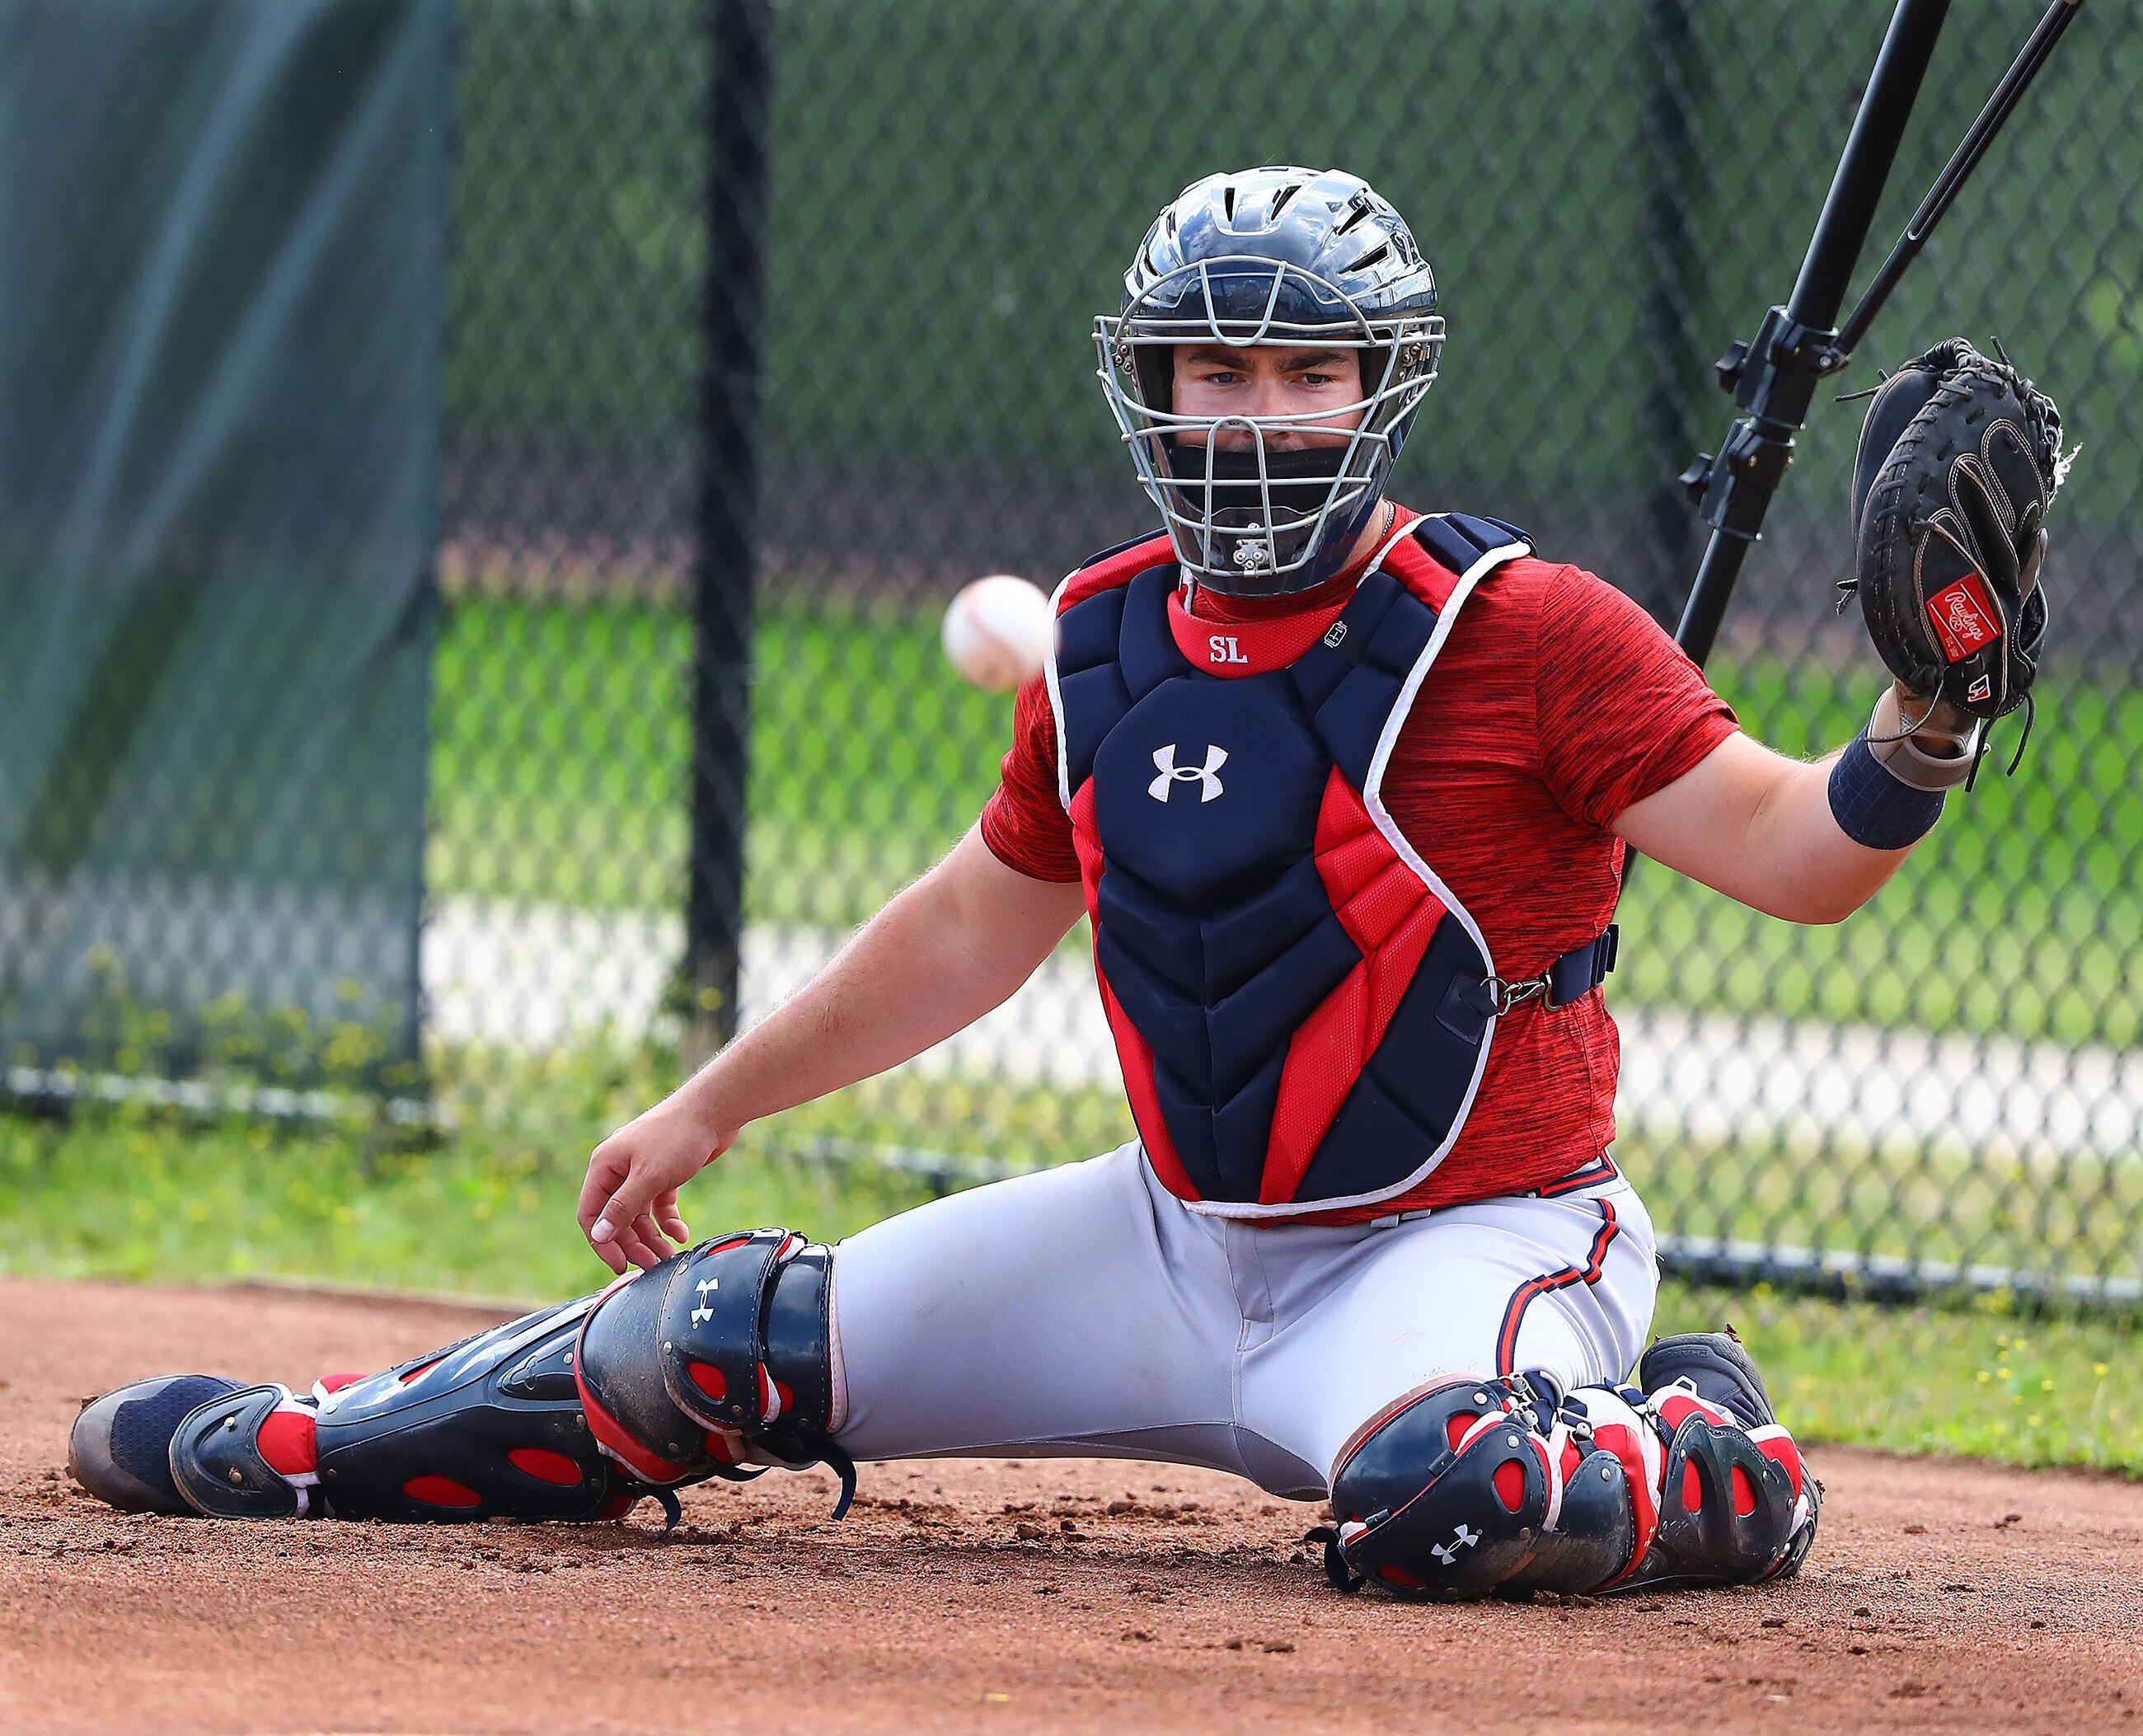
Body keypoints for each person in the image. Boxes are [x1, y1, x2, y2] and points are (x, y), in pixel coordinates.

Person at [81, 162, 2037, 1599]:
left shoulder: (1526, 632)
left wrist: (1922, 721)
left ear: (1379, 388)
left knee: (1453, 1497)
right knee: (713, 1343)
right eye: (1215, 367)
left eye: (1304, 373)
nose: (1254, 412)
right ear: (1154, 382)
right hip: (1175, 1246)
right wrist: (710, 1101)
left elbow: (1795, 856)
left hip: (1464, 1245)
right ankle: (309, 1442)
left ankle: (1703, 1443)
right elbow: (962, 929)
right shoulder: (1105, 647)